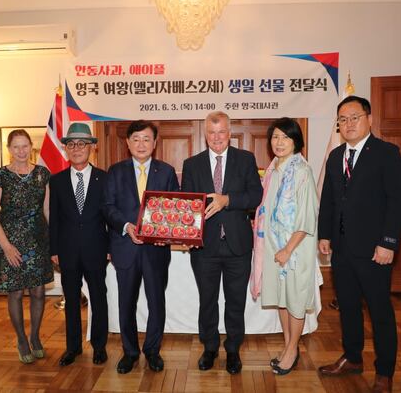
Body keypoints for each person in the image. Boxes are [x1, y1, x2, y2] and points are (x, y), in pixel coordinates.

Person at [317, 95, 401, 393]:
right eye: (342, 120)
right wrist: (325, 235)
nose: (348, 124)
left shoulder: (386, 154)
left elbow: (396, 202)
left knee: (380, 312)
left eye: (354, 117)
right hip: (342, 250)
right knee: (348, 308)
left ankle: (385, 372)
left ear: (369, 119)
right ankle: (353, 358)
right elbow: (329, 201)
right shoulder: (335, 156)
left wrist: (388, 243)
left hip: (374, 251)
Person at [181, 111, 263, 374]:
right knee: (207, 301)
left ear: (229, 133)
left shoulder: (245, 159)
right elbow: (187, 205)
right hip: (204, 247)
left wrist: (227, 200)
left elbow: (256, 195)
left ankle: (233, 349)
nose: (217, 138)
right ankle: (210, 347)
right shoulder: (192, 164)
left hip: (238, 245)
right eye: (211, 132)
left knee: (235, 301)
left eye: (221, 132)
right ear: (205, 135)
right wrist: (187, 234)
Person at [104, 120, 180, 374]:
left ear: (154, 143)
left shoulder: (166, 172)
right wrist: (126, 226)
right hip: (125, 248)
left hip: (155, 251)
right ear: (127, 143)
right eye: (136, 139)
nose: (141, 144)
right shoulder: (115, 171)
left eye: (146, 139)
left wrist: (164, 232)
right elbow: (107, 207)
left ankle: (153, 351)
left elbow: (174, 208)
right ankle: (130, 352)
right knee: (126, 302)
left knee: (156, 302)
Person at [250, 118, 321, 376]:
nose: (279, 142)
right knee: (282, 299)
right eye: (275, 137)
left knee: (295, 300)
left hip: (295, 250)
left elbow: (307, 218)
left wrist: (288, 249)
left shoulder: (302, 171)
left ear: (296, 142)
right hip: (273, 248)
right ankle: (288, 345)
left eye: (286, 137)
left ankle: (292, 350)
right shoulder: (273, 170)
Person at [0, 129, 53, 364]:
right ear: (9, 149)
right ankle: (22, 339)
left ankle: (35, 336)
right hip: (10, 242)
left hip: (38, 241)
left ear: (31, 146)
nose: (21, 151)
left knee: (38, 291)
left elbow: (47, 210)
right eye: (16, 146)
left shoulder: (42, 174)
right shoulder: (0, 176)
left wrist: (55, 241)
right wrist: (6, 246)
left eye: (25, 146)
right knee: (15, 292)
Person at [49, 122, 110, 367]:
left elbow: (110, 217)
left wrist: (110, 248)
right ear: (66, 149)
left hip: (97, 249)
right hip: (68, 251)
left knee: (98, 298)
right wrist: (54, 249)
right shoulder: (57, 181)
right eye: (71, 144)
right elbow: (54, 218)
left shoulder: (105, 178)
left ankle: (99, 346)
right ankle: (72, 348)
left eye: (82, 143)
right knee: (72, 301)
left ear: (91, 148)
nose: (76, 148)